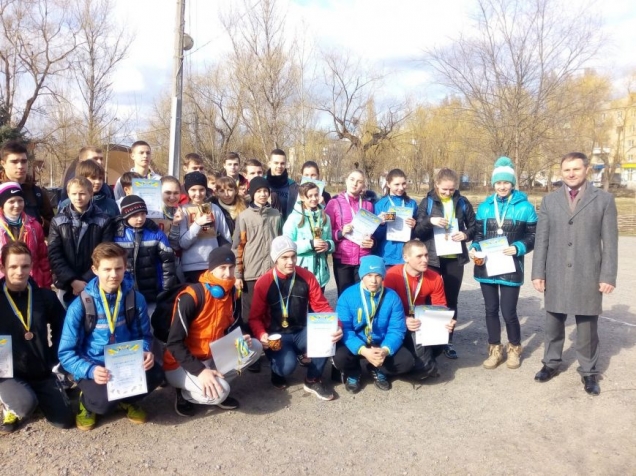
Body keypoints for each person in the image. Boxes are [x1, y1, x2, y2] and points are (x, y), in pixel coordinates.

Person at [531, 152, 618, 396]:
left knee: (587, 326)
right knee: (553, 322)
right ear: (561, 172)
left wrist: (608, 275)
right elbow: (542, 240)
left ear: (586, 170)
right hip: (555, 270)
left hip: (588, 271)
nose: (571, 174)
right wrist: (538, 272)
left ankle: (589, 371)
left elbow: (610, 242)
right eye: (566, 170)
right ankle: (551, 363)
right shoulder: (549, 201)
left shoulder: (604, 200)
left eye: (576, 169)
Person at [58, 243, 164, 430]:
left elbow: (143, 336)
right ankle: (86, 402)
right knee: (102, 403)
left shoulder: (135, 298)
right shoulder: (81, 305)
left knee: (156, 373)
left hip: (125, 363)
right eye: (107, 269)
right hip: (95, 366)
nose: (114, 275)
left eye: (118, 268)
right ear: (95, 270)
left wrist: (145, 351)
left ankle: (127, 400)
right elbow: (66, 353)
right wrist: (90, 370)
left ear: (125, 268)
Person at [164, 246, 263, 416]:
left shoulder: (232, 292)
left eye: (231, 267)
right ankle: (184, 394)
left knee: (254, 346)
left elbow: (233, 325)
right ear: (211, 269)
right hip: (180, 363)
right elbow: (174, 343)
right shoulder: (192, 296)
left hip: (211, 356)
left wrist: (240, 339)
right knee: (221, 393)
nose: (228, 273)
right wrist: (200, 371)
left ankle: (214, 382)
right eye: (222, 268)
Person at [249, 236, 342, 400]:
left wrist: (336, 325)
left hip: (301, 330)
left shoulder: (307, 276)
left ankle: (312, 379)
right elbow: (254, 318)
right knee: (286, 367)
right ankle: (277, 371)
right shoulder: (263, 283)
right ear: (276, 259)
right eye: (285, 257)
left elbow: (321, 306)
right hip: (277, 335)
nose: (290, 262)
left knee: (328, 336)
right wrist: (261, 334)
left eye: (293, 256)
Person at [469, 157, 537, 370]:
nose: (502, 186)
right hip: (487, 267)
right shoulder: (484, 207)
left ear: (512, 183)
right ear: (493, 183)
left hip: (511, 267)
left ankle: (514, 349)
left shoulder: (525, 207)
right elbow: (479, 235)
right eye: (498, 182)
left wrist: (519, 247)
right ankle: (495, 349)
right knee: (490, 310)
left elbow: (534, 235)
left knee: (508, 311)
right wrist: (474, 248)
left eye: (506, 182)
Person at [0, 243, 73, 434]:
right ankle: (12, 402)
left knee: (64, 420)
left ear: (32, 266)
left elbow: (62, 328)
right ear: (3, 268)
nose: (19, 272)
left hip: (41, 370)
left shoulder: (45, 297)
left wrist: (54, 357)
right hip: (8, 374)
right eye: (13, 266)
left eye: (25, 266)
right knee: (24, 406)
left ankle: (35, 394)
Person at [414, 168, 476, 360]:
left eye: (451, 189)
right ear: (436, 185)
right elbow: (417, 231)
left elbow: (474, 227)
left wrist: (465, 235)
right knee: (429, 299)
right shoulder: (427, 202)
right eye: (444, 190)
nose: (448, 193)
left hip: (454, 259)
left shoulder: (463, 202)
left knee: (450, 300)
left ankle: (447, 340)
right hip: (432, 259)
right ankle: (428, 339)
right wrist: (430, 221)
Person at [333, 255, 413, 393]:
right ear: (362, 276)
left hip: (380, 343)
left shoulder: (392, 297)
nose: (374, 280)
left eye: (378, 275)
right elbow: (345, 329)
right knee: (339, 357)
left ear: (383, 277)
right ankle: (353, 371)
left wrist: (385, 350)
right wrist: (363, 350)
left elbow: (397, 329)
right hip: (357, 342)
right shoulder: (347, 296)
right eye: (369, 275)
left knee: (407, 361)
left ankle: (377, 368)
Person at [383, 240, 454, 379]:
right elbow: (383, 309)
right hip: (395, 324)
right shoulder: (392, 276)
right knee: (410, 363)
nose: (425, 260)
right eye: (419, 256)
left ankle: (423, 363)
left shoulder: (434, 277)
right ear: (406, 258)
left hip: (417, 322)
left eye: (426, 255)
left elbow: (440, 306)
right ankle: (381, 368)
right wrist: (403, 319)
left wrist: (445, 321)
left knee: (440, 339)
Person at [48, 177, 113, 306]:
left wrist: (85, 280)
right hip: (66, 283)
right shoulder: (58, 221)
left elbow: (105, 253)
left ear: (90, 193)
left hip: (94, 282)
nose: (78, 197)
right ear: (68, 194)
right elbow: (54, 254)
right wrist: (72, 281)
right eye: (74, 194)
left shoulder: (104, 220)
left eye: (82, 193)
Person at [233, 177, 281, 331]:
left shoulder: (276, 215)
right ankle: (251, 341)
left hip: (271, 272)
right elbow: (238, 247)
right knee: (250, 313)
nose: (262, 194)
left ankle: (271, 340)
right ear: (252, 193)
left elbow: (280, 242)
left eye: (265, 191)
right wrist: (238, 275)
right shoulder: (244, 217)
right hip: (251, 273)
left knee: (272, 310)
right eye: (259, 191)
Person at [113, 195, 177, 308]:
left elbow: (168, 263)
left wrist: (166, 291)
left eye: (143, 214)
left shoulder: (156, 233)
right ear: (125, 215)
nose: (140, 218)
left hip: (152, 293)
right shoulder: (115, 233)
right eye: (135, 215)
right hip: (123, 293)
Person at [324, 169, 375, 296]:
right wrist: (341, 233)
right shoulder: (334, 203)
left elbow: (371, 232)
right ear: (346, 180)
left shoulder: (368, 205)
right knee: (345, 295)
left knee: (362, 295)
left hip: (362, 258)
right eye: (352, 179)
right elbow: (326, 232)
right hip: (343, 258)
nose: (355, 184)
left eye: (359, 181)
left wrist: (372, 242)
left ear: (363, 185)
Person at [176, 171, 232, 283]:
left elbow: (226, 236)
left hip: (213, 265)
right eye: (193, 190)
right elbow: (183, 243)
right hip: (191, 267)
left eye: (201, 189)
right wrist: (197, 224)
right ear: (187, 190)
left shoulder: (214, 209)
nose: (198, 193)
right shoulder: (183, 210)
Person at [282, 181, 334, 291]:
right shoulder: (293, 218)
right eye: (310, 196)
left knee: (318, 302)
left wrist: (328, 245)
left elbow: (330, 239)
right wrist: (310, 244)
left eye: (316, 195)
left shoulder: (325, 217)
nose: (314, 198)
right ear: (302, 197)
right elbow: (287, 246)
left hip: (321, 273)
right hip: (302, 273)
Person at [0, 182, 51, 288]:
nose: (17, 205)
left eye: (20, 200)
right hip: (3, 283)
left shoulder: (34, 225)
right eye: (11, 201)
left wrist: (45, 284)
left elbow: (43, 258)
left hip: (32, 282)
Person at [0, 140, 54, 234]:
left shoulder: (37, 193)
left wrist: (39, 224)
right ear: (3, 164)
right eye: (14, 162)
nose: (20, 166)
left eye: (24, 161)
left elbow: (53, 227)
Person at [373, 168, 418, 267]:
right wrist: (381, 224)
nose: (401, 188)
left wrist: (415, 225)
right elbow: (375, 236)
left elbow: (417, 233)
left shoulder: (411, 204)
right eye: (397, 184)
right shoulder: (380, 205)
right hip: (386, 256)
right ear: (388, 184)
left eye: (403, 184)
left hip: (406, 256)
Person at [265, 149, 298, 221]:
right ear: (269, 164)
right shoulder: (262, 183)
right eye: (276, 163)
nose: (279, 166)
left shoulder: (293, 186)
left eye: (282, 163)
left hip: (287, 226)